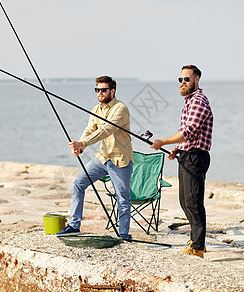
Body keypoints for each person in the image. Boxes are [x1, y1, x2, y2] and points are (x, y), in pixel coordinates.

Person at [56, 75, 133, 240]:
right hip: (102, 158)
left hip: (120, 160)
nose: (99, 93)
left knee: (123, 199)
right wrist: (80, 147)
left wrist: (83, 142)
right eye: (97, 90)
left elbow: (106, 129)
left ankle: (124, 233)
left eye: (103, 90)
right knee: (78, 183)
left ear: (112, 91)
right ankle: (74, 225)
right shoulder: (96, 109)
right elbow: (90, 129)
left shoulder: (121, 109)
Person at [150, 65, 213, 258]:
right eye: (180, 80)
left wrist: (164, 141)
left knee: (193, 201)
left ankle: (198, 246)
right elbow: (187, 136)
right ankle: (197, 241)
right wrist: (176, 148)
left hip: (196, 157)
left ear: (197, 80)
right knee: (185, 201)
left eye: (186, 79)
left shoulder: (199, 101)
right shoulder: (189, 101)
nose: (183, 82)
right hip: (187, 155)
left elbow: (189, 131)